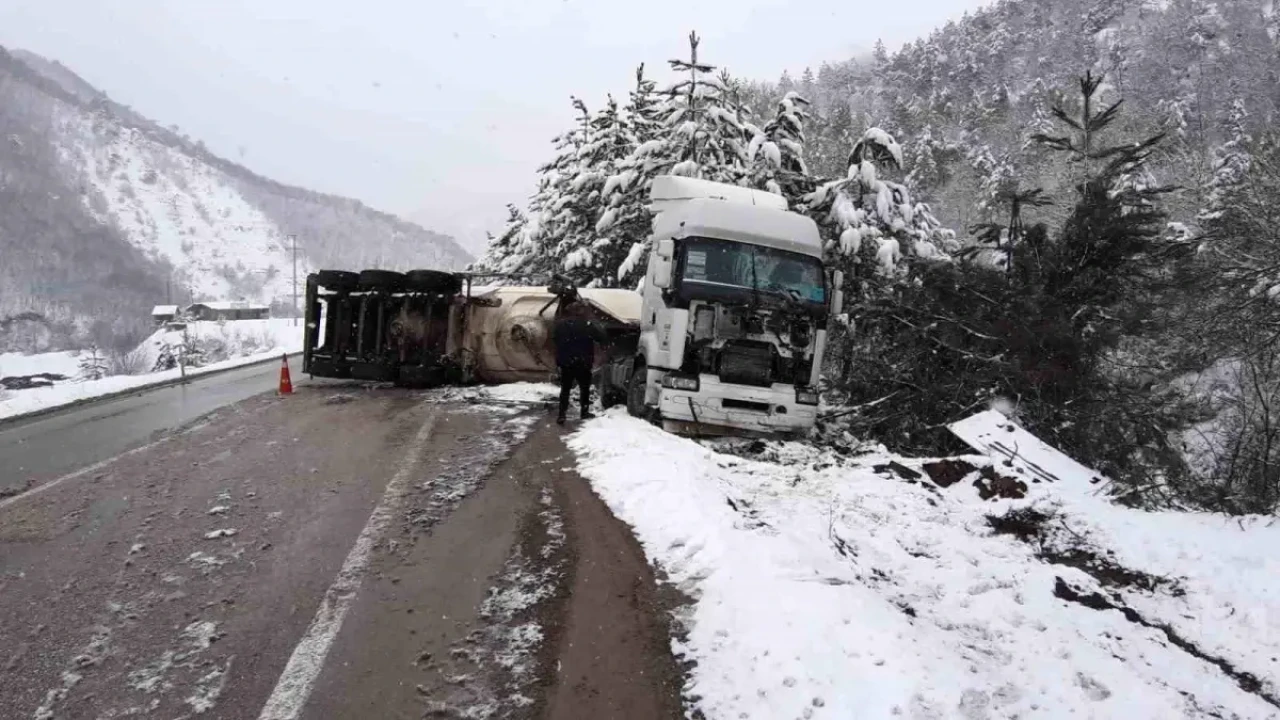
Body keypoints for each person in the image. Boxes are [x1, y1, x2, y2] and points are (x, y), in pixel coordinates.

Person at [552, 298, 607, 425]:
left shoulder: (561, 325)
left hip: (566, 362)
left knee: (565, 389)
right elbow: (601, 338)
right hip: (583, 362)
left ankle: (561, 415)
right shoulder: (587, 324)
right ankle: (584, 412)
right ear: (580, 312)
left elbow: (555, 339)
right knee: (584, 388)